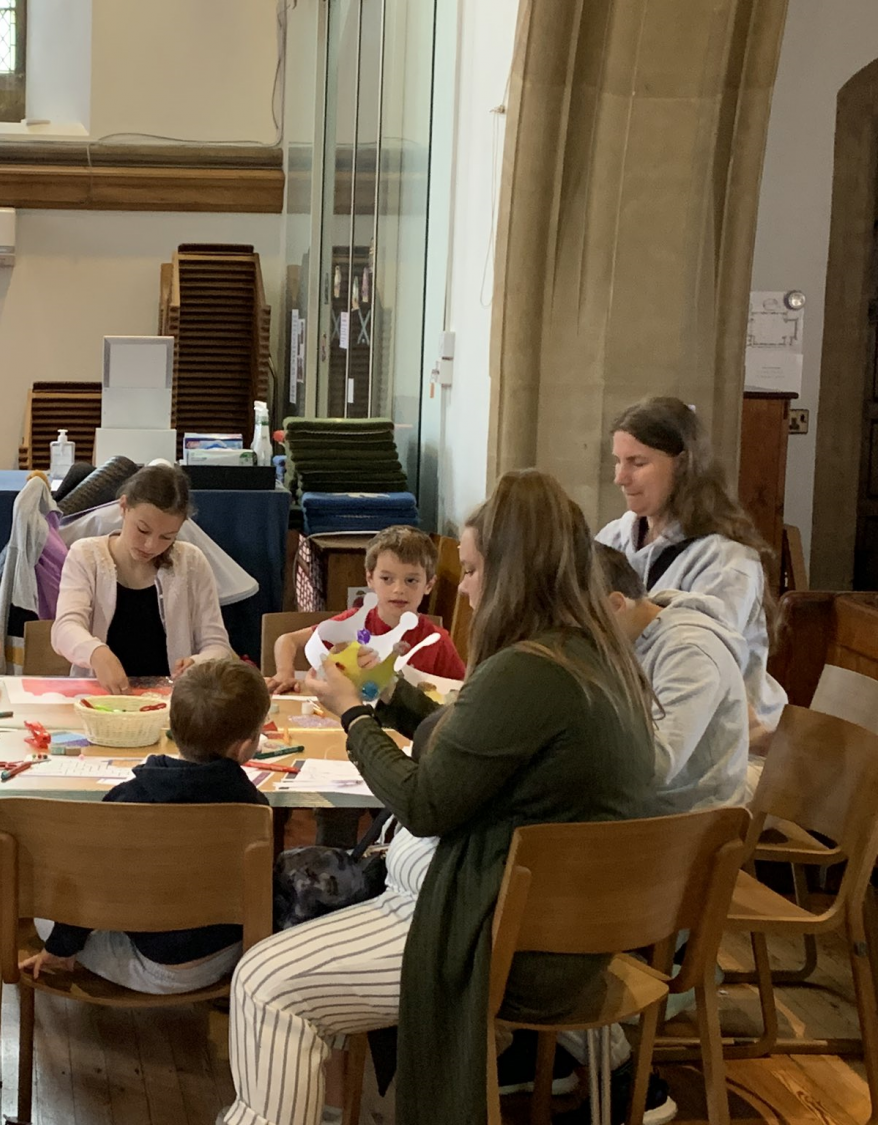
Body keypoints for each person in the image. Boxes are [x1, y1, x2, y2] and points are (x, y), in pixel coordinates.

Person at [218, 470, 658, 1125]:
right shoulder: (589, 656)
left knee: (264, 982)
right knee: (309, 911)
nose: (468, 586)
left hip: (496, 933)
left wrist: (352, 714)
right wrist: (392, 697)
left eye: (476, 568)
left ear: (514, 572)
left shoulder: (528, 669)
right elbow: (480, 748)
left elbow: (425, 802)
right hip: (548, 918)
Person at [22, 658, 271, 994]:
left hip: (154, 967)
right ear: (245, 747)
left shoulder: (129, 799)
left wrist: (60, 948)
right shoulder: (255, 809)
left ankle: (65, 954)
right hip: (228, 958)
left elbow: (89, 884)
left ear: (170, 728)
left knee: (46, 912)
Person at [597, 396, 786, 741]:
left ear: (683, 465)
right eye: (618, 462)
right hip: (634, 713)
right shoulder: (614, 537)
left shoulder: (728, 561)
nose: (620, 478)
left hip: (722, 740)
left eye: (637, 463)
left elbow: (698, 668)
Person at [596, 543, 751, 812]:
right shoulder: (632, 636)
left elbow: (659, 764)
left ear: (615, 605)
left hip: (691, 821)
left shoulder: (689, 650)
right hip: (647, 807)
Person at [52, 464, 232, 692]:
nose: (151, 546)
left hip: (171, 703)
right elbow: (65, 628)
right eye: (143, 530)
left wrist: (198, 663)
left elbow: (217, 646)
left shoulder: (191, 562)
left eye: (167, 537)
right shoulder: (86, 556)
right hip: (100, 700)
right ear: (124, 507)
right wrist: (96, 652)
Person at [267, 526, 466, 694]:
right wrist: (285, 672)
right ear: (370, 579)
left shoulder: (437, 643)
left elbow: (461, 691)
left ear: (429, 585)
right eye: (386, 579)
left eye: (411, 580)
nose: (398, 590)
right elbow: (288, 640)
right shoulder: (353, 623)